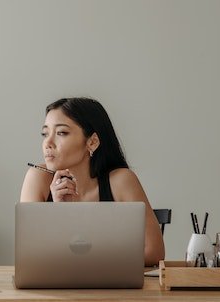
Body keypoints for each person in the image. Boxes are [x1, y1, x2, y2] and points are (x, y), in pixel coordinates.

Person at [20, 97, 165, 266]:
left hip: (111, 288)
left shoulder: (121, 181)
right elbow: (28, 254)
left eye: (61, 133)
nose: (48, 143)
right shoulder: (38, 178)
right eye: (45, 134)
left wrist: (89, 260)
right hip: (54, 290)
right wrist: (58, 213)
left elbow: (154, 251)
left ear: (92, 142)